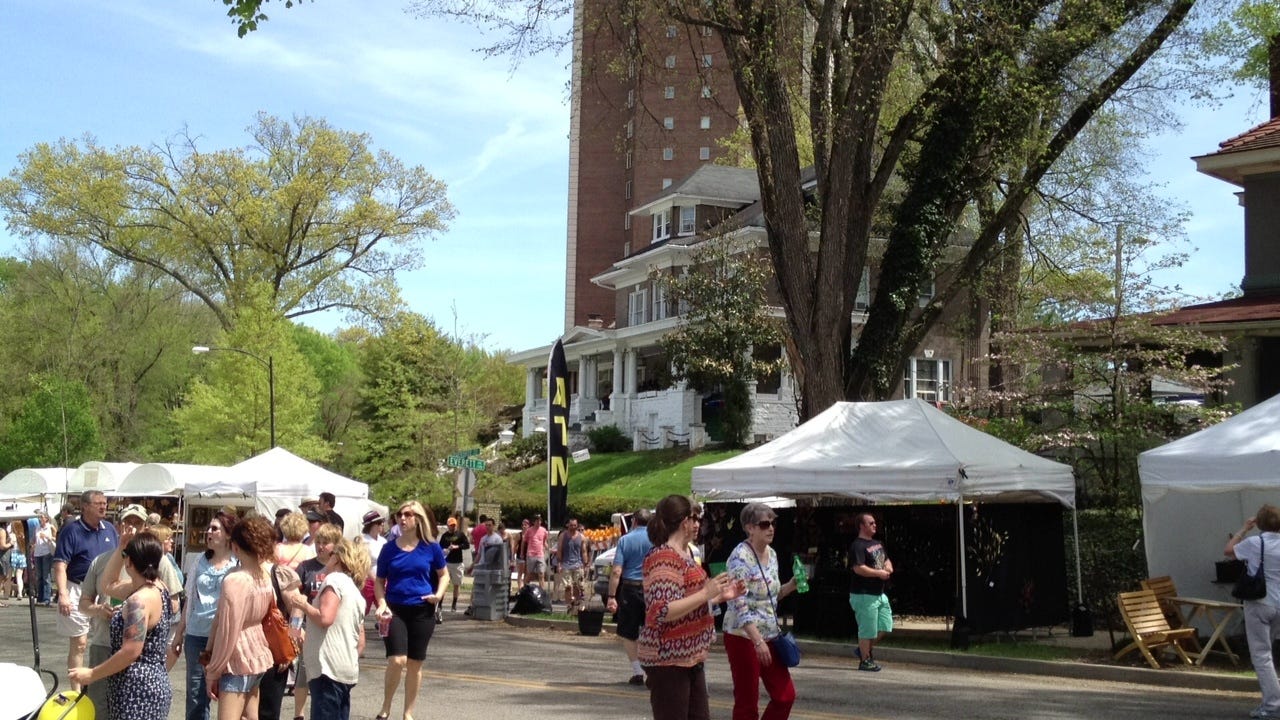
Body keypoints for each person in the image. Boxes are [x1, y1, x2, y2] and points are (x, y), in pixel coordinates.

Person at [639, 494, 741, 720]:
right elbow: (662, 610)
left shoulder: (685, 555)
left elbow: (686, 601)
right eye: (693, 518)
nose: (698, 523)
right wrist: (706, 592)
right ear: (684, 521)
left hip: (691, 657)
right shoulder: (664, 557)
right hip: (669, 659)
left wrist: (717, 597)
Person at [80, 505, 184, 720]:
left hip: (138, 689)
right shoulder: (154, 587)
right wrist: (121, 547)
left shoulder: (139, 600)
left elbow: (131, 651)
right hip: (141, 684)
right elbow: (108, 585)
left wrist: (91, 673)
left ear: (129, 562)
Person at [204, 516, 301, 720]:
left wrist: (213, 669)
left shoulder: (236, 580)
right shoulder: (263, 576)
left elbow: (228, 632)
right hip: (258, 655)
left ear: (236, 547)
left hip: (237, 660)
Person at [373, 500, 449, 720]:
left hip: (422, 610)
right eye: (400, 514)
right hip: (394, 609)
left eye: (408, 514)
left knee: (415, 663)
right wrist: (381, 603)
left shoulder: (431, 547)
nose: (402, 518)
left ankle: (408, 713)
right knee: (397, 660)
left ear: (418, 519)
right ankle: (386, 706)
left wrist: (438, 595)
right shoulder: (389, 548)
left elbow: (444, 575)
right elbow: (379, 581)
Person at [724, 503, 798, 720]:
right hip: (744, 636)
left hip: (771, 635)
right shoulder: (740, 557)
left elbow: (771, 595)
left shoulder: (772, 554)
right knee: (747, 702)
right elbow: (738, 602)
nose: (771, 528)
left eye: (773, 523)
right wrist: (757, 640)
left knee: (785, 696)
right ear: (750, 528)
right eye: (764, 524)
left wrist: (791, 585)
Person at [286, 537, 368, 720]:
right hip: (345, 668)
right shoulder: (355, 591)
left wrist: (303, 604)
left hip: (327, 669)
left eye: (332, 554)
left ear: (338, 559)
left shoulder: (334, 580)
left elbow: (325, 618)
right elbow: (361, 641)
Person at [171, 511, 239, 720]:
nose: (208, 532)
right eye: (208, 528)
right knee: (196, 694)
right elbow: (189, 600)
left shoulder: (237, 563)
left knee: (230, 692)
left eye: (215, 528)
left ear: (228, 534)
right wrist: (179, 633)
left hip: (225, 637)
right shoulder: (199, 560)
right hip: (197, 634)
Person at [54, 490, 119, 690]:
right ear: (84, 507)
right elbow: (60, 565)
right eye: (98, 503)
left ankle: (102, 684)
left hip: (105, 590)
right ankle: (77, 690)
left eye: (105, 503)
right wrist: (63, 594)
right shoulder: (71, 530)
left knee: (104, 639)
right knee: (80, 642)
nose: (103, 507)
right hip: (78, 589)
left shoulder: (109, 529)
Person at [1226, 505, 1280, 720]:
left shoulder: (1256, 543)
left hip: (1260, 602)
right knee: (1272, 650)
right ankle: (1272, 702)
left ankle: (1272, 706)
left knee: (1262, 654)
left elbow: (1228, 551)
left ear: (1259, 523)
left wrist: (1244, 529)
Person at [292, 523, 343, 720]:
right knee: (304, 672)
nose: (320, 546)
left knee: (329, 673)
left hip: (332, 628)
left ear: (336, 545)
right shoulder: (306, 568)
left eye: (326, 543)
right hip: (309, 627)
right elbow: (297, 600)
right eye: (318, 542)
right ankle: (299, 714)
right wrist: (295, 628)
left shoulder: (340, 569)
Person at [607, 508, 652, 685]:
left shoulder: (625, 540)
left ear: (634, 521)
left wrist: (611, 596)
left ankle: (637, 670)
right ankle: (652, 670)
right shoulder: (657, 540)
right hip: (651, 589)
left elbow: (617, 570)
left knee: (628, 632)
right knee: (652, 631)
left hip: (631, 588)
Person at [848, 512, 893, 672]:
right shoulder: (857, 546)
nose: (875, 525)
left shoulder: (877, 543)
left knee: (886, 626)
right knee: (867, 630)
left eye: (875, 522)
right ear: (862, 526)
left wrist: (888, 567)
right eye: (871, 523)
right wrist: (878, 573)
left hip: (879, 594)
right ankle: (865, 660)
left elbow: (885, 558)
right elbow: (858, 568)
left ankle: (863, 649)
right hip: (864, 594)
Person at [554, 517, 591, 614]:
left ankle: (577, 605)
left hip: (578, 565)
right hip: (566, 565)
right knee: (568, 587)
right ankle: (569, 606)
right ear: (568, 525)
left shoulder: (582, 537)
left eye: (575, 525)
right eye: (571, 525)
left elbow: (583, 552)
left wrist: (586, 564)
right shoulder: (563, 536)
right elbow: (559, 550)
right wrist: (559, 563)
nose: (573, 527)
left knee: (578, 586)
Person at [438, 517, 470, 613]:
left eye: (454, 525)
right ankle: (440, 605)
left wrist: (457, 546)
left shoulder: (460, 534)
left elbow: (467, 545)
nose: (452, 527)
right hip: (447, 562)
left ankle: (454, 604)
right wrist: (443, 550)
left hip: (457, 563)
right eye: (451, 525)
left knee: (456, 584)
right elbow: (439, 547)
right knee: (444, 583)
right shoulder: (444, 536)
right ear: (447, 526)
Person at [361, 510, 388, 615]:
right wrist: (375, 580)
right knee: (362, 611)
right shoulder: (363, 540)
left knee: (385, 610)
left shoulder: (383, 541)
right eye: (379, 522)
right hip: (367, 582)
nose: (382, 525)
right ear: (371, 525)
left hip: (382, 581)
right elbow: (364, 564)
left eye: (382, 522)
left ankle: (384, 631)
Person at [33, 512, 56, 606]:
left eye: (41, 517)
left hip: (46, 552)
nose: (40, 519)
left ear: (46, 518)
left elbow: (55, 539)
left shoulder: (50, 527)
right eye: (39, 517)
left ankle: (46, 599)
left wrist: (47, 537)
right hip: (38, 553)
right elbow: (35, 539)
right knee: (39, 576)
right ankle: (40, 597)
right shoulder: (37, 528)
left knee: (46, 576)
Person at [524, 514, 549, 584]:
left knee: (541, 574)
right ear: (534, 522)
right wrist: (522, 553)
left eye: (540, 521)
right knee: (529, 574)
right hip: (531, 554)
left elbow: (544, 542)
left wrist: (548, 549)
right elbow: (524, 541)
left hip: (540, 554)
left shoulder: (544, 530)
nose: (538, 522)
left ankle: (542, 591)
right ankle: (525, 589)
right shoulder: (529, 530)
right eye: (537, 521)